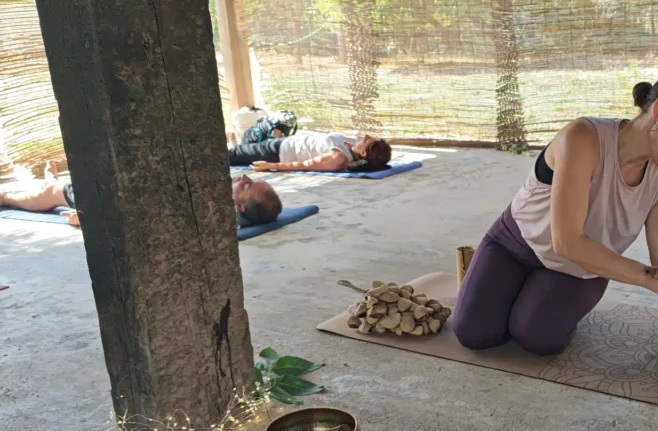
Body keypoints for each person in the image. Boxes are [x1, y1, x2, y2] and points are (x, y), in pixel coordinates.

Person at [452, 71, 658, 356]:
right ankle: (506, 283)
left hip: (581, 269)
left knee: (538, 338)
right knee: (475, 333)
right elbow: (567, 241)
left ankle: (531, 297)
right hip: (515, 244)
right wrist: (646, 276)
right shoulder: (584, 138)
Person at [0, 161, 281, 229]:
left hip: (103, 191)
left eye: (246, 186)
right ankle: (49, 178)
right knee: (55, 184)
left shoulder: (206, 210)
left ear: (239, 208)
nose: (244, 177)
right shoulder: (219, 193)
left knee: (51, 192)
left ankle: (7, 197)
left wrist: (91, 219)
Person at [228, 131, 392, 173]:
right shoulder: (351, 145)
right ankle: (235, 146)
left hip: (278, 152)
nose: (363, 137)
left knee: (231, 156)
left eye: (366, 139)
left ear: (363, 153)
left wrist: (271, 165)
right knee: (244, 147)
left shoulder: (338, 158)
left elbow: (304, 165)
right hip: (285, 142)